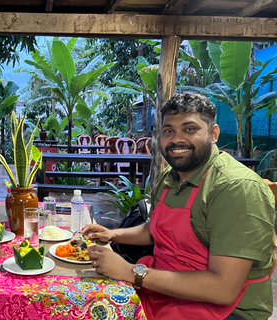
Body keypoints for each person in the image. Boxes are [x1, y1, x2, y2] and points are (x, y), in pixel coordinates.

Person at [84, 93, 275, 320]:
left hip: (225, 310)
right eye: (168, 131)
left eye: (189, 129)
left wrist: (130, 271)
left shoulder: (236, 188)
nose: (176, 139)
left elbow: (223, 289)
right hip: (162, 288)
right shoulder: (170, 177)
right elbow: (156, 229)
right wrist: (113, 234)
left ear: (213, 134)